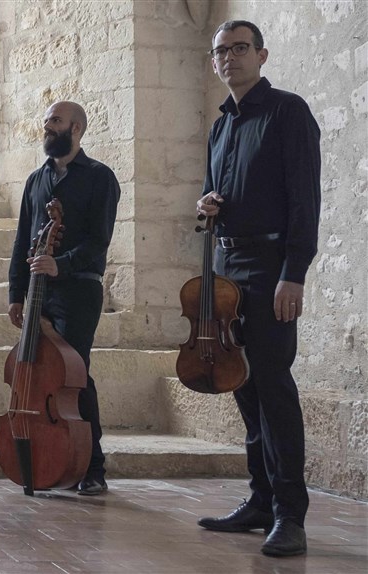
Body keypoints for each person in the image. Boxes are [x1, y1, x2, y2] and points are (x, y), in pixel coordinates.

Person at [195, 21, 321, 557]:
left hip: (271, 269)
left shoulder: (288, 112)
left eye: (240, 48)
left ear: (261, 55)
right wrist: (206, 203)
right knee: (242, 384)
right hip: (227, 266)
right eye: (221, 51)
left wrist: (295, 273)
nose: (230, 58)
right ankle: (261, 501)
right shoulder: (220, 125)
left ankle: (290, 514)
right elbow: (216, 193)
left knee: (272, 387)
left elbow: (304, 201)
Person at [8, 101, 121, 495]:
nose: (47, 127)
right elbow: (23, 240)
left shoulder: (99, 177)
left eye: (55, 121)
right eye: (46, 122)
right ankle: (52, 458)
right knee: (41, 373)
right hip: (39, 290)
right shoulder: (35, 180)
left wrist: (62, 264)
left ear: (76, 128)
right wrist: (15, 293)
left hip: (78, 290)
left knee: (74, 374)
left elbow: (99, 241)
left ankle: (93, 467)